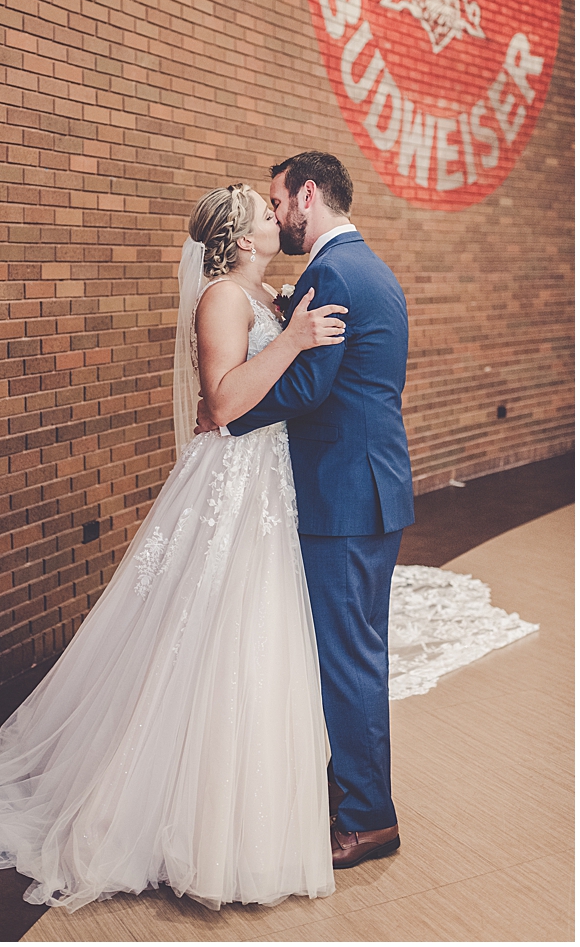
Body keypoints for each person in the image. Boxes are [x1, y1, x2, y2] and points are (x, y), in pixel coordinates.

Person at [0, 182, 349, 911]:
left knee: (253, 634)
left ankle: (247, 826)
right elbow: (222, 402)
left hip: (265, 484)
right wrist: (290, 340)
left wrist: (284, 320)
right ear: (241, 238)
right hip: (231, 478)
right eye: (264, 212)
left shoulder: (258, 299)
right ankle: (171, 820)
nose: (276, 217)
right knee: (208, 632)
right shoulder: (222, 299)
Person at [200, 151, 413, 868]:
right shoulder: (371, 268)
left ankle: (367, 819)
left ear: (308, 196)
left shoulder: (331, 271)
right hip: (374, 487)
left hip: (341, 496)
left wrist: (230, 416)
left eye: (278, 199)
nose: (277, 213)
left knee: (347, 660)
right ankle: (351, 793)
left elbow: (312, 389)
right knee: (361, 652)